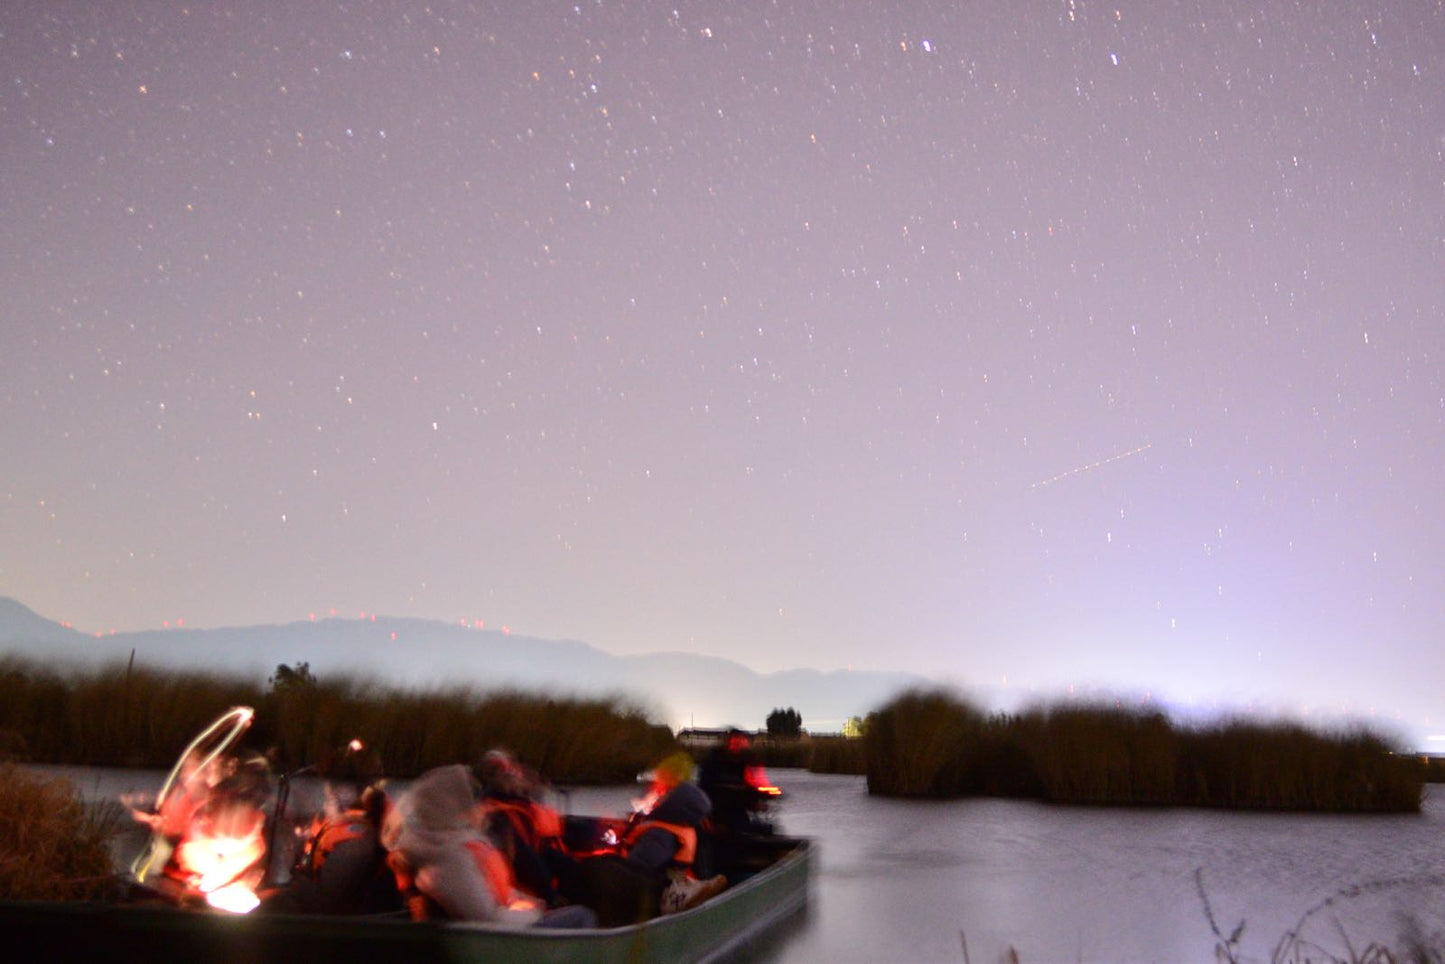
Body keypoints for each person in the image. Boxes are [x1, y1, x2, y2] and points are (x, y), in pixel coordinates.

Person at [382, 764, 594, 928]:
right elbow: (486, 918)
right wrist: (535, 912)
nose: (475, 805)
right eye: (468, 798)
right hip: (502, 938)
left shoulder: (446, 842)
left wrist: (532, 903)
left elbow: (494, 894)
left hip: (506, 923)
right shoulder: (449, 858)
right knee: (583, 916)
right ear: (451, 804)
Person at [274, 742, 399, 915]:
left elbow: (325, 904)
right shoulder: (338, 816)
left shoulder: (358, 842)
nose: (327, 791)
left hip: (325, 921)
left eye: (332, 784)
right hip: (305, 897)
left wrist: (287, 887)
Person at [473, 749, 571, 907]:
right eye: (505, 770)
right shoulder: (497, 817)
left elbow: (538, 851)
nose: (515, 773)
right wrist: (551, 896)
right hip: (522, 896)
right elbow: (526, 861)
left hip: (529, 886)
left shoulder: (518, 808)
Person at [697, 729, 773, 835]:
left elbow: (757, 783)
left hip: (738, 810)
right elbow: (704, 787)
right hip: (716, 809)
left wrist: (759, 800)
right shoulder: (713, 760)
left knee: (761, 828)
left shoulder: (747, 760)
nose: (737, 746)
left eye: (741, 742)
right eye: (734, 742)